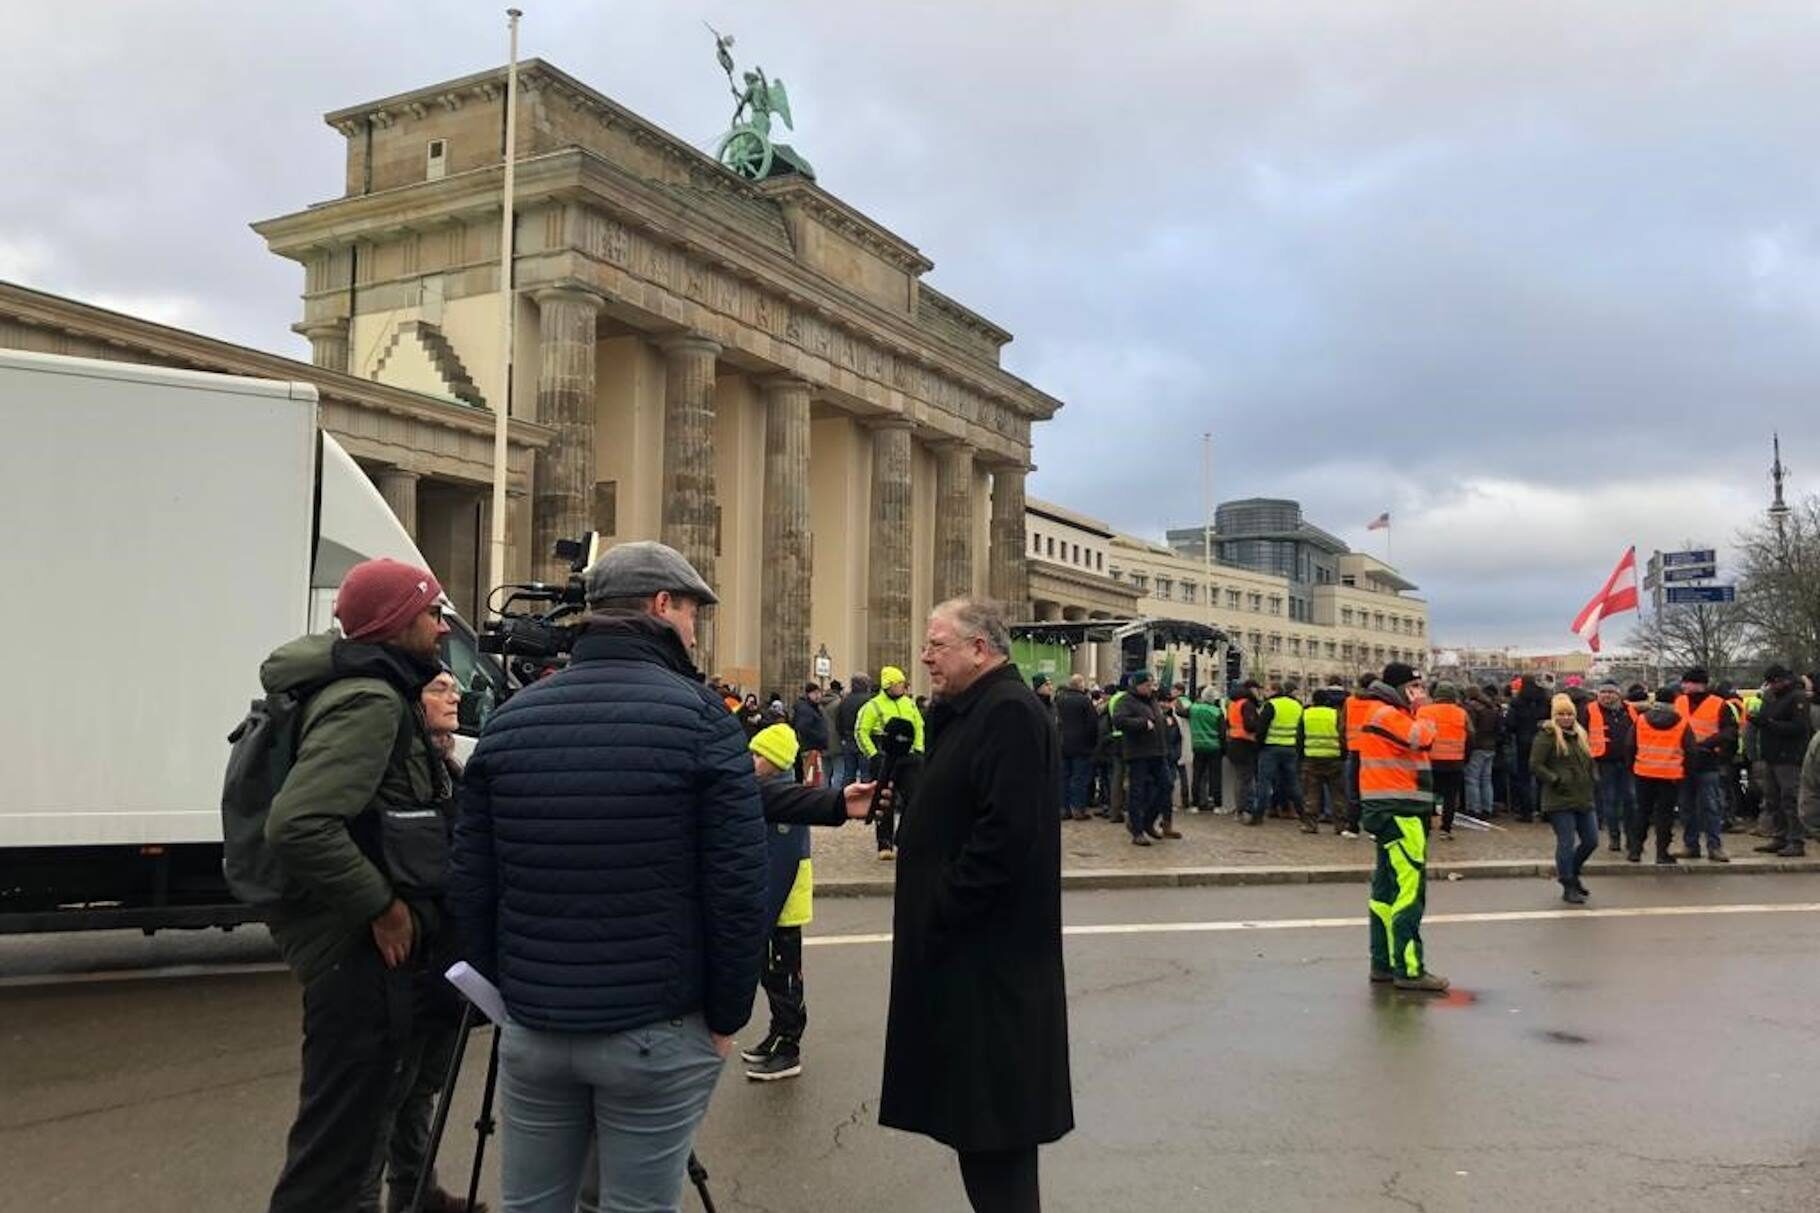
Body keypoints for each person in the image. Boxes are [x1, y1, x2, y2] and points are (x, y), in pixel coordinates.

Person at [447, 540, 769, 1213]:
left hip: (535, 1026)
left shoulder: (511, 720)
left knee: (530, 1203)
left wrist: (513, 991)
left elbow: (472, 885)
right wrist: (727, 1015)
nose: (693, 630)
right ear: (660, 605)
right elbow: (737, 889)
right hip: (655, 1027)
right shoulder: (704, 719)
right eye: (690, 613)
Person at [261, 558, 456, 1213]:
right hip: (357, 956)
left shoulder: (377, 687)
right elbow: (299, 823)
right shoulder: (370, 699)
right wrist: (383, 906)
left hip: (362, 956)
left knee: (357, 1137)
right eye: (431, 613)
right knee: (337, 1160)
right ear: (399, 622)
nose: (440, 625)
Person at [880, 597, 1072, 1212]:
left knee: (997, 1137)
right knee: (978, 1130)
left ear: (980, 649)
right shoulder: (971, 710)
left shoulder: (1009, 712)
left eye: (937, 644)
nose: (926, 655)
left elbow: (1006, 836)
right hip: (971, 960)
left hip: (989, 966)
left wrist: (942, 906)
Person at [358, 666, 485, 1213]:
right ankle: (365, 1200)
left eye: (454, 686)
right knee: (390, 1089)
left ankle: (415, 1190)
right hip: (409, 953)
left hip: (445, 954)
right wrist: (382, 911)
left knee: (424, 1083)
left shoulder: (447, 763)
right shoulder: (392, 762)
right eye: (439, 687)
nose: (454, 694)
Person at [1358, 663, 1446, 992]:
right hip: (1400, 811)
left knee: (1384, 892)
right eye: (1413, 687)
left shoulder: (1382, 712)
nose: (1418, 693)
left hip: (1388, 809)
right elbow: (1422, 739)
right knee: (1408, 892)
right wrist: (1425, 711)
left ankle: (1382, 962)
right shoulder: (1389, 715)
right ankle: (1409, 969)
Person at [745, 722, 815, 1082]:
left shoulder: (783, 800)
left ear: (775, 761)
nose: (752, 760)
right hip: (776, 904)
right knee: (771, 975)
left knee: (783, 976)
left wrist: (765, 913)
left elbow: (781, 864)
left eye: (759, 755)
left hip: (781, 908)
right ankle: (776, 1035)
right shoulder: (769, 792)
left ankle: (789, 1047)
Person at [1531, 693, 1599, 905]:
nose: (1566, 718)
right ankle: (1567, 883)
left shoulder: (1580, 734)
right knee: (1566, 842)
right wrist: (1555, 779)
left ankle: (1573, 872)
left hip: (1583, 796)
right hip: (1559, 799)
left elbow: (1588, 761)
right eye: (1561, 714)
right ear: (1554, 715)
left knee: (1591, 840)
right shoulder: (1547, 736)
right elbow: (1535, 765)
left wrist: (1593, 778)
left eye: (1569, 714)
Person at [856, 665, 926, 861]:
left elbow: (919, 726)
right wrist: (873, 754)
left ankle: (904, 838)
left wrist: (919, 749)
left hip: (910, 755)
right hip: (885, 754)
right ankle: (884, 843)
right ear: (890, 685)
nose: (903, 687)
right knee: (884, 800)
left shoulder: (909, 704)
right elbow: (861, 731)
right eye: (900, 684)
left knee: (914, 799)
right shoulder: (873, 705)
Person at [1674, 668, 1737, 862]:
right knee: (1686, 806)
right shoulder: (1679, 702)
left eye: (1688, 682)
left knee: (1711, 806)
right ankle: (1691, 845)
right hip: (1683, 762)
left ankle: (1714, 846)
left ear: (1700, 684)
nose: (1684, 685)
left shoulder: (1719, 705)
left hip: (1707, 761)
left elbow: (1729, 732)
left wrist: (1705, 745)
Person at [1752, 665, 1813, 857]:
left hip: (1789, 757)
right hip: (1772, 756)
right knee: (1773, 799)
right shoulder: (1771, 698)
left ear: (1782, 680)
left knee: (1790, 799)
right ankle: (1779, 836)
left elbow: (1799, 728)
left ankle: (1796, 840)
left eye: (1773, 682)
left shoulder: (1797, 697)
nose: (1770, 686)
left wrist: (1769, 724)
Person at [1630, 686, 1695, 865]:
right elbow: (1690, 750)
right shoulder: (1681, 722)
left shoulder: (1641, 720)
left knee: (1642, 812)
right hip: (1670, 775)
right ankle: (1661, 853)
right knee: (1664, 816)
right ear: (1674, 701)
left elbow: (1630, 745)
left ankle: (1635, 850)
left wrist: (1633, 767)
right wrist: (1686, 772)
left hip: (1643, 772)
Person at [1114, 670, 1169, 845]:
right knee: (1136, 792)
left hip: (1158, 752)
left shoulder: (1152, 700)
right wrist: (1142, 723)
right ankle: (1137, 830)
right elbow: (1119, 721)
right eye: (1146, 685)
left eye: (1151, 684)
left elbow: (1156, 719)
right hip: (1138, 753)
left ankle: (1148, 820)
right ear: (1137, 685)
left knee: (1166, 786)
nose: (1150, 688)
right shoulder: (1126, 701)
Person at [1587, 680, 1636, 854]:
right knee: (1610, 801)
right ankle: (1614, 837)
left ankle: (1632, 838)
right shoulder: (1589, 710)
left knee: (1630, 800)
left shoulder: (1630, 710)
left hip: (1628, 762)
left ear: (1618, 694)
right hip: (1603, 762)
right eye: (1603, 692)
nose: (1607, 695)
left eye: (1610, 692)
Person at [1417, 682, 1469, 841]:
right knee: (1450, 798)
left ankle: (1425, 826)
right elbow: (1471, 736)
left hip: (1429, 760)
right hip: (1455, 761)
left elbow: (1418, 735)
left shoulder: (1424, 711)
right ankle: (1446, 829)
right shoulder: (1461, 713)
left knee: (1427, 794)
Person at [1299, 680, 1348, 835]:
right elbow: (1342, 736)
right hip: (1333, 759)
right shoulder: (1335, 714)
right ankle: (1340, 825)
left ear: (1313, 701)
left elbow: (1299, 737)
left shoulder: (1306, 714)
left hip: (1311, 759)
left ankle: (1310, 825)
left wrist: (1301, 756)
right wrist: (1343, 755)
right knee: (1338, 794)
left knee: (1311, 793)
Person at [1253, 679, 1305, 823]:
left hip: (1270, 748)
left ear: (1274, 691)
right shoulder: (1297, 705)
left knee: (1265, 782)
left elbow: (1261, 728)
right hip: (1291, 748)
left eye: (1268, 689)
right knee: (1293, 783)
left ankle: (1258, 815)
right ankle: (1304, 814)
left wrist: (1259, 746)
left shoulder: (1270, 705)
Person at [1055, 674, 1101, 821]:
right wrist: (1092, 743)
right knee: (1079, 778)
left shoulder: (1060, 700)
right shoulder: (1085, 701)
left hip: (1063, 744)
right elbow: (1092, 724)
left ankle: (1063, 808)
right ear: (1080, 685)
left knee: (1064, 777)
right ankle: (1078, 809)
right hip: (1082, 746)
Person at [1508, 675, 1551, 821]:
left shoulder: (1517, 702)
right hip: (1543, 741)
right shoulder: (1546, 700)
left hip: (1523, 741)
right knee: (1543, 776)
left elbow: (1510, 723)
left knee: (1524, 777)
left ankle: (1526, 812)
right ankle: (1545, 811)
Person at [1462, 684, 1501, 825]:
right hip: (1491, 747)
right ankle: (1487, 807)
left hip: (1477, 747)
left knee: (1472, 779)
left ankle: (1474, 809)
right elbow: (1499, 729)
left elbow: (1470, 731)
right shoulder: (1492, 708)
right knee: (1486, 779)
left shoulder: (1472, 709)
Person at [1226, 680, 1263, 824]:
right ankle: (1246, 810)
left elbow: (1228, 723)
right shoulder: (1247, 704)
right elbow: (1250, 725)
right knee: (1246, 779)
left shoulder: (1233, 704)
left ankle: (1239, 810)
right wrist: (1259, 724)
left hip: (1234, 743)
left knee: (1240, 779)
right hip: (1246, 743)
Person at [830, 674, 872, 790]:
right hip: (865, 740)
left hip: (848, 740)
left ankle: (845, 801)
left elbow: (838, 722)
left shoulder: (844, 701)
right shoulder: (869, 700)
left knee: (848, 774)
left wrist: (844, 736)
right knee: (866, 774)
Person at [1188, 685, 1225, 811]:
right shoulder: (1217, 712)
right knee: (1215, 777)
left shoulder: (1194, 709)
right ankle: (1217, 804)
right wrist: (1224, 748)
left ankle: (1195, 804)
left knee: (1197, 776)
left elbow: (1180, 711)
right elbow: (1222, 733)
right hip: (1214, 747)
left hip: (1198, 746)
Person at [790, 682, 831, 787]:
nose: (818, 696)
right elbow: (803, 727)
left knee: (814, 777)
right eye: (815, 693)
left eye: (819, 693)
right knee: (811, 778)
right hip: (810, 748)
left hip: (814, 748)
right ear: (808, 694)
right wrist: (819, 737)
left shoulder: (814, 707)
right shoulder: (806, 709)